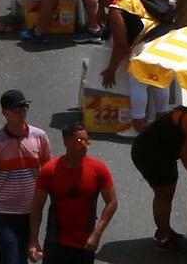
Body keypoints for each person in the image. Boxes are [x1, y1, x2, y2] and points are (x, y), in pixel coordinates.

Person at [128, 96, 187, 253]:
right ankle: (163, 236)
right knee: (163, 195)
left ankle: (164, 229)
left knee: (167, 192)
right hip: (150, 153)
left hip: (164, 154)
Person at [0, 88, 51, 264]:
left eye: (24, 108)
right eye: (16, 109)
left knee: (23, 258)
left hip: (31, 211)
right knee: (10, 257)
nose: (21, 113)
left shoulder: (39, 137)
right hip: (4, 212)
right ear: (5, 112)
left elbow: (48, 173)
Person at [33, 110, 117, 264]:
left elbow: (112, 202)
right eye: (79, 141)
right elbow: (37, 206)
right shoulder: (50, 170)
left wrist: (97, 233)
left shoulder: (99, 169)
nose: (84, 146)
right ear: (66, 142)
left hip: (85, 244)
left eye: (87, 141)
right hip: (55, 243)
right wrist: (33, 242)